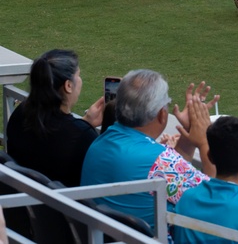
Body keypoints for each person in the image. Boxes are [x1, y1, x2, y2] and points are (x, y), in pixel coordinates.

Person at [81, 70, 217, 231]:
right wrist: (204, 142)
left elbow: (174, 175)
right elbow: (216, 202)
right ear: (162, 114)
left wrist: (189, 131)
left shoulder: (100, 142)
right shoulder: (161, 162)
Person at [5, 49, 105, 187]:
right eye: (78, 75)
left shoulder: (21, 113)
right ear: (68, 86)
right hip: (63, 207)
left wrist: (85, 122)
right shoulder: (82, 136)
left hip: (21, 202)